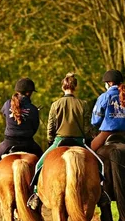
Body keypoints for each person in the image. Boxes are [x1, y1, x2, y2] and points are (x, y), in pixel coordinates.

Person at [27, 72, 92, 209]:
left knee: (39, 165)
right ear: (75, 87)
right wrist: (87, 139)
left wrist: (51, 140)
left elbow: (50, 126)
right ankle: (101, 192)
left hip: (60, 140)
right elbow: (87, 127)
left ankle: (36, 195)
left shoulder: (55, 104)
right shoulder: (83, 104)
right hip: (79, 141)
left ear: (63, 87)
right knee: (99, 165)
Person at [0, 77, 43, 198]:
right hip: (28, 143)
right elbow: (34, 128)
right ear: (28, 93)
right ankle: (39, 188)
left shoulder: (7, 104)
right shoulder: (32, 109)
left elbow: (5, 115)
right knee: (43, 160)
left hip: (9, 142)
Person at [91, 69, 125, 160]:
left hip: (106, 133)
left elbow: (96, 120)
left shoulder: (104, 96)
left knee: (89, 153)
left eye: (105, 83)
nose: (105, 85)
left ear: (110, 83)